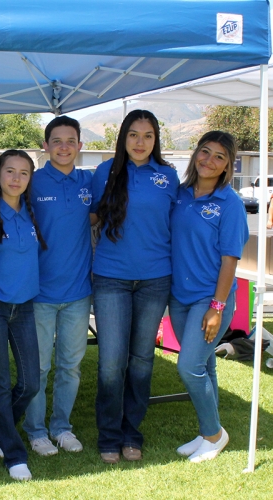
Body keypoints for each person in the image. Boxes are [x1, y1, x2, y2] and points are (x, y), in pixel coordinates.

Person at [91, 109, 179, 464]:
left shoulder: (169, 177)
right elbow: (82, 216)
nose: (140, 142)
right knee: (112, 361)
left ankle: (132, 433)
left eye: (147, 136)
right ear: (122, 138)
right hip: (111, 277)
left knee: (141, 360)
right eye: (133, 135)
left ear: (156, 141)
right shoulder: (104, 173)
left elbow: (184, 224)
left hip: (155, 279)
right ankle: (109, 435)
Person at [169, 131, 248, 462]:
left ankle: (215, 435)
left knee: (189, 367)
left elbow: (230, 259)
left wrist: (217, 308)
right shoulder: (180, 194)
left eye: (219, 156)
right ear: (195, 154)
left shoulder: (229, 204)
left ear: (228, 164)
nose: (209, 160)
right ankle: (208, 430)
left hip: (210, 298)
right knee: (204, 365)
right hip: (179, 296)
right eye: (205, 151)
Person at [0, 150, 47, 481]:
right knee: (1, 382)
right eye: (10, 171)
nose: (16, 178)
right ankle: (14, 455)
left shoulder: (33, 215)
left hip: (24, 307)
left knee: (30, 382)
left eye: (24, 173)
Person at [20, 116, 94, 456]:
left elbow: (100, 216)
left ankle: (61, 427)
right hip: (39, 295)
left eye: (70, 141)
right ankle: (35, 431)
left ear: (80, 145)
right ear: (45, 146)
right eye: (57, 141)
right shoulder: (31, 183)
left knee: (70, 366)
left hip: (78, 294)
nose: (64, 147)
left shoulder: (88, 183)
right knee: (38, 366)